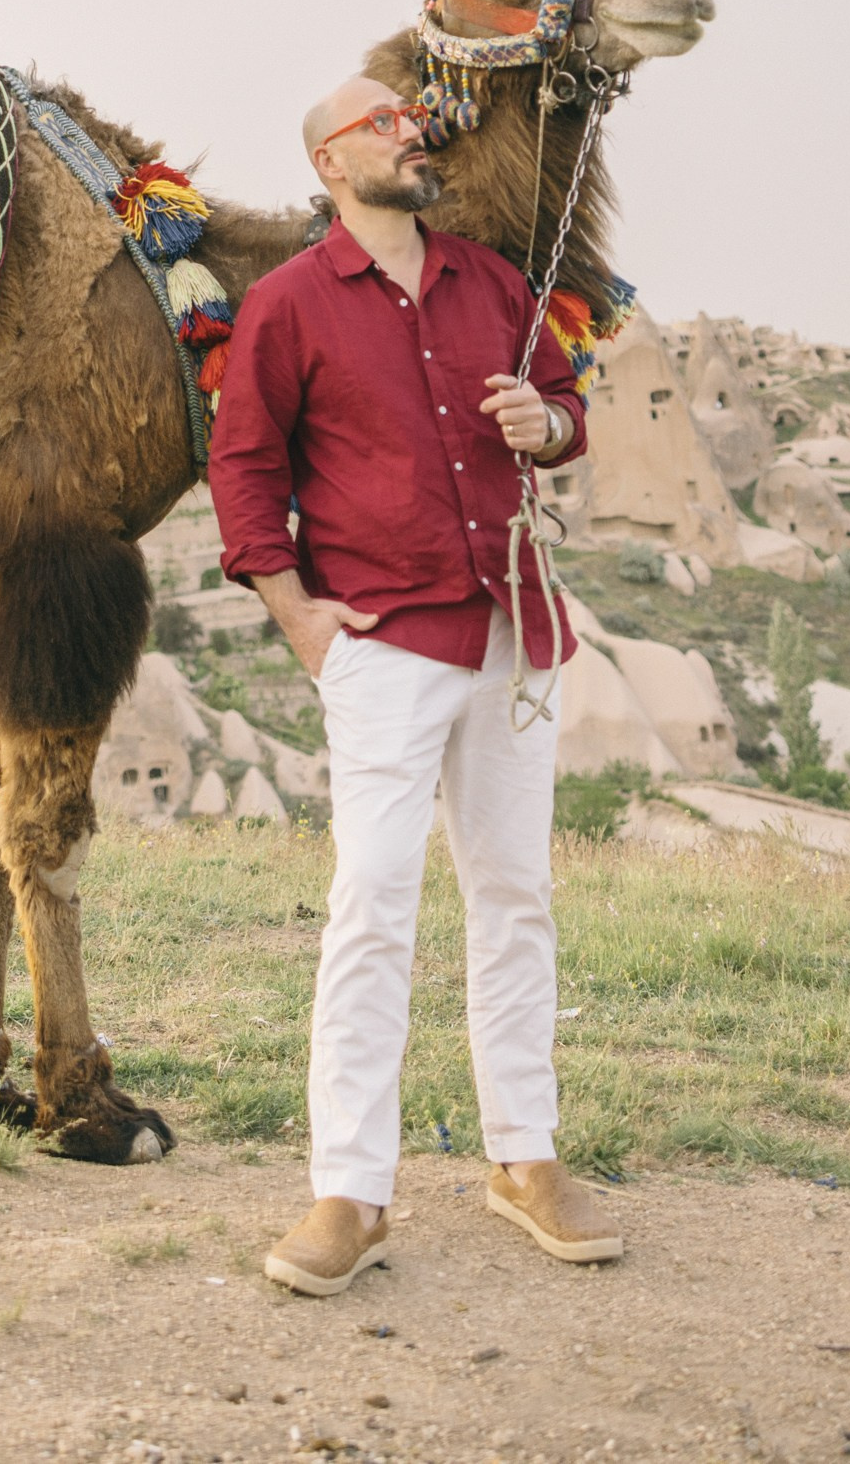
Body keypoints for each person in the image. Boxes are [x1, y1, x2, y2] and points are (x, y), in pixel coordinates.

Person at [207, 75, 623, 1296]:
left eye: (412, 117)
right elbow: (243, 469)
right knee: (371, 902)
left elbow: (563, 404)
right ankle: (348, 1190)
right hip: (381, 640)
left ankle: (523, 1158)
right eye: (384, 122)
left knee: (513, 894)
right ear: (333, 161)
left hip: (508, 623)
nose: (413, 131)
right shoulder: (284, 305)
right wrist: (296, 615)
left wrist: (542, 427)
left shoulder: (492, 283)